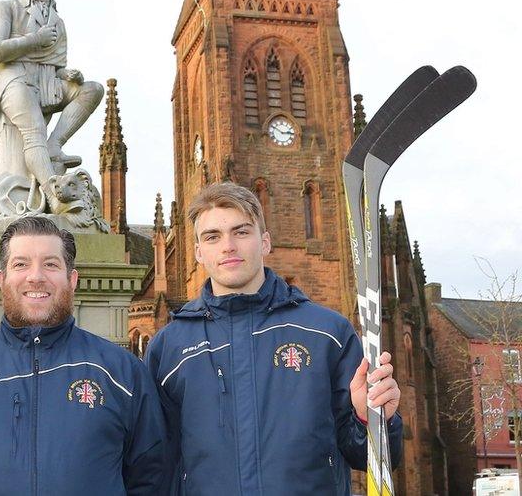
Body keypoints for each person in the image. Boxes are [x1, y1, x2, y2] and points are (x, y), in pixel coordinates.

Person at [144, 182, 403, 495]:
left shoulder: (327, 333)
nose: (228, 246)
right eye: (213, 236)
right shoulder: (169, 348)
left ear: (264, 241)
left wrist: (370, 418)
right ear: (198, 251)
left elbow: (366, 456)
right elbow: (155, 463)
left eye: (241, 232)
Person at [0, 216, 165, 495]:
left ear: (72, 279)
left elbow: (150, 477)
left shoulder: (122, 372)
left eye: (51, 264)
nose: (35, 276)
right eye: (21, 264)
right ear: (2, 278)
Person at [0, 0, 104, 226]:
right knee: (33, 130)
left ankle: (54, 146)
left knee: (92, 89)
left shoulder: (58, 21)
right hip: (12, 77)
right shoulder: (6, 8)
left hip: (45, 81)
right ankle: (53, 195)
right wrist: (36, 39)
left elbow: (55, 61)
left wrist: (66, 73)